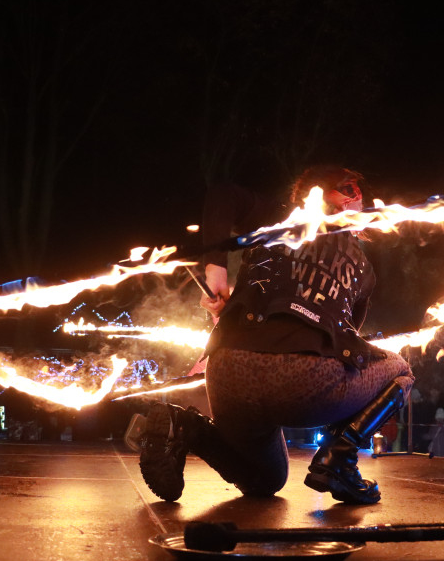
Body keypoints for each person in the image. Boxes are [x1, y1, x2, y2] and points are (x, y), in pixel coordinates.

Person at [138, 165, 414, 504]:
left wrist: (217, 273)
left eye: (359, 193)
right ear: (332, 193)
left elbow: (223, 196)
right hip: (302, 385)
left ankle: (183, 427)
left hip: (227, 376)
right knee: (400, 369)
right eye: (352, 191)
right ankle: (339, 460)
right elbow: (347, 347)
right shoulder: (350, 261)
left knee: (265, 480)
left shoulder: (280, 226)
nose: (360, 200)